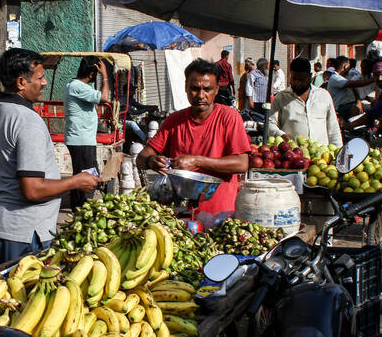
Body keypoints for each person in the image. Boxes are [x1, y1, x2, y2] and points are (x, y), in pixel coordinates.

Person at [0, 48, 101, 268]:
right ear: (21, 82)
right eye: (40, 77)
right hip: (25, 233)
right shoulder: (28, 121)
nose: (44, 83)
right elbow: (33, 190)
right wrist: (76, 181)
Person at [136, 58, 250, 220]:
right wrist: (152, 161)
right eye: (195, 89)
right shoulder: (174, 121)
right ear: (186, 88)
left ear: (217, 89)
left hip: (218, 214)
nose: (201, 95)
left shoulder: (229, 117)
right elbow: (141, 158)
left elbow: (242, 163)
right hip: (178, 214)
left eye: (207, 89)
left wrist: (196, 161)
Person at [63, 56, 109, 211]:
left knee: (80, 175)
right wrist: (105, 76)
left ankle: (78, 208)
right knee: (89, 176)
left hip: (80, 139)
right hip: (81, 140)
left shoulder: (73, 85)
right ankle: (83, 209)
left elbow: (92, 104)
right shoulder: (78, 86)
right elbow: (104, 97)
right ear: (92, 74)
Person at [268, 57, 342, 147]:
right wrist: (280, 134)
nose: (297, 83)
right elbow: (270, 124)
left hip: (322, 156)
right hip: (294, 156)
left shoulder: (323, 96)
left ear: (310, 77)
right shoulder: (281, 98)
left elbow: (333, 128)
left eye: (301, 79)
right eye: (294, 79)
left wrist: (339, 152)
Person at [327, 56, 375, 121]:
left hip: (351, 104)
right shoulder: (335, 78)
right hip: (340, 107)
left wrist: (358, 101)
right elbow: (354, 84)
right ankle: (349, 126)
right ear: (345, 66)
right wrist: (375, 79)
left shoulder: (342, 77)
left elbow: (353, 87)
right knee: (358, 110)